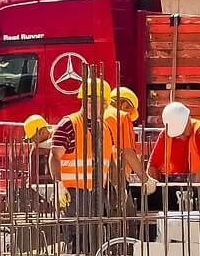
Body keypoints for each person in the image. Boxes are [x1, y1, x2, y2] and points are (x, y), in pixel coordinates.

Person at [55, 78, 143, 209]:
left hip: (97, 192)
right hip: (72, 193)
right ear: (83, 100)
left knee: (97, 228)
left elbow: (111, 163)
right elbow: (54, 156)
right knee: (77, 229)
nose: (96, 106)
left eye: (101, 103)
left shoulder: (106, 129)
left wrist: (118, 186)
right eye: (91, 101)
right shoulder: (68, 124)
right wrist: (59, 185)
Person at [149, 101, 200, 183]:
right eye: (178, 135)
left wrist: (195, 191)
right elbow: (152, 166)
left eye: (183, 132)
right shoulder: (166, 135)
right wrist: (153, 186)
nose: (182, 137)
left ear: (189, 118)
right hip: (182, 186)